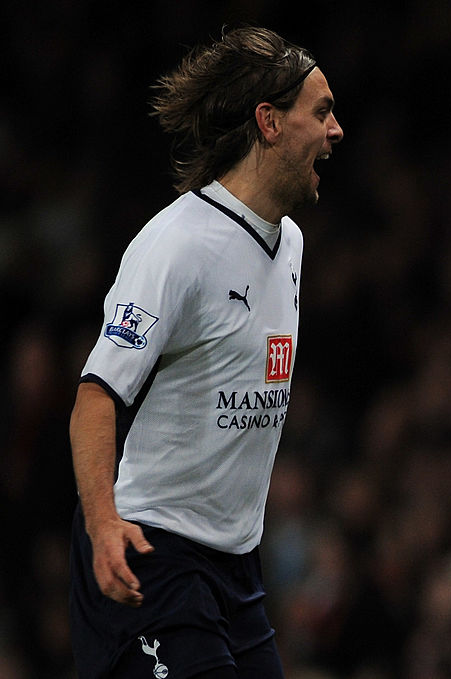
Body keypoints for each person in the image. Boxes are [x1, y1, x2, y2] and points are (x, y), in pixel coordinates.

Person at [68, 26, 343, 679]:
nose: (336, 131)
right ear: (269, 123)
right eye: (323, 111)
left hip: (234, 569)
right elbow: (94, 397)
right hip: (148, 554)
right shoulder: (177, 246)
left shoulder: (293, 244)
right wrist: (104, 526)